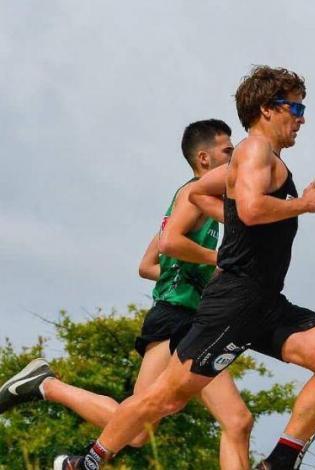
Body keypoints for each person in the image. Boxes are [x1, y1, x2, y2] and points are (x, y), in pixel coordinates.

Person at [54, 66, 315, 470]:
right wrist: (302, 204)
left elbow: (199, 192)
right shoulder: (254, 151)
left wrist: (235, 218)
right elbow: (248, 209)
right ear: (267, 109)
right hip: (234, 301)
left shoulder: (261, 157)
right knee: (166, 398)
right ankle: (88, 462)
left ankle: (280, 461)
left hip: (266, 301)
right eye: (295, 107)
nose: (302, 117)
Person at [1, 119, 257, 469]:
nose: (235, 157)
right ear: (204, 159)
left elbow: (150, 264)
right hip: (180, 320)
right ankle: (48, 389)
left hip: (181, 316)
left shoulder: (195, 202)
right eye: (228, 151)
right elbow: (169, 246)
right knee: (230, 421)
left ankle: (45, 385)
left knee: (144, 430)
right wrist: (219, 264)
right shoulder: (193, 195)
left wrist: (196, 276)